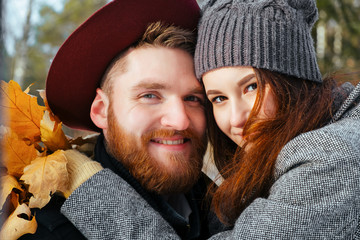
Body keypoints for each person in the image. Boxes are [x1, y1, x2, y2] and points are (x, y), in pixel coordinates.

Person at [58, 0, 360, 239]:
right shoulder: (30, 219)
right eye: (217, 98)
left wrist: (93, 190)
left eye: (193, 98)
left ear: (296, 79)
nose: (236, 118)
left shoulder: (331, 154)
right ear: (100, 110)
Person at [21, 0, 223, 239]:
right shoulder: (41, 228)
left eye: (193, 98)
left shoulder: (230, 209)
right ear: (101, 111)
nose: (180, 121)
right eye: (149, 95)